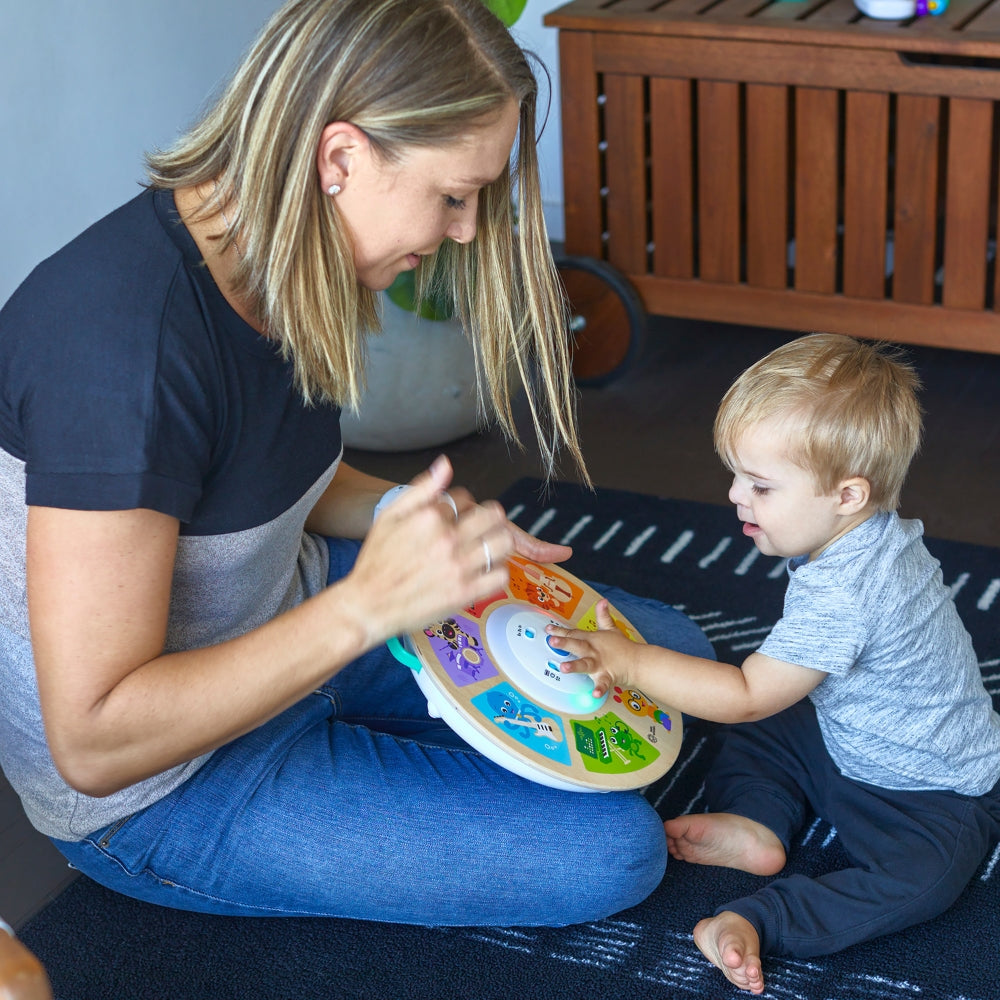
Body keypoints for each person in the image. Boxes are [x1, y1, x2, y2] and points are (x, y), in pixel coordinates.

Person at [0, 0, 715, 926]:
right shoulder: (123, 353)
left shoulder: (282, 258)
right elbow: (94, 743)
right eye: (453, 196)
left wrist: (423, 529)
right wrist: (371, 604)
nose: (464, 232)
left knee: (671, 663)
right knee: (610, 854)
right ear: (341, 158)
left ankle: (399, 741)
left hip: (290, 619)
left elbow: (261, 481)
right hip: (161, 784)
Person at [548, 333, 1000, 992]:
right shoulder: (863, 530)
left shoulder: (849, 590)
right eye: (736, 474)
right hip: (842, 733)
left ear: (848, 495)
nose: (735, 495)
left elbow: (746, 694)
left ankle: (764, 919)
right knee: (770, 726)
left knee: (924, 882)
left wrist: (632, 663)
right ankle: (755, 822)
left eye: (760, 485)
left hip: (929, 792)